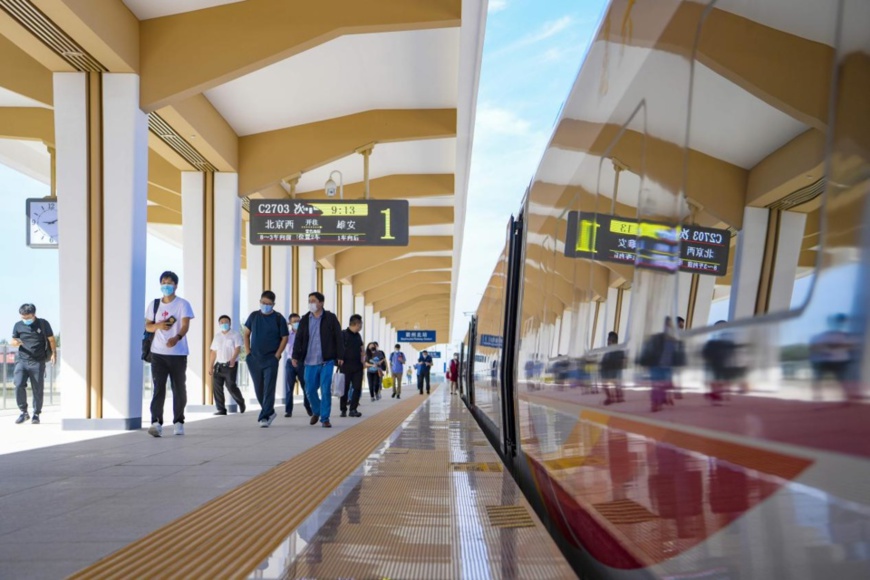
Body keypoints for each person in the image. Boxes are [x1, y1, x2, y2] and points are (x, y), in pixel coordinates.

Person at [145, 271, 194, 437]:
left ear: (176, 285)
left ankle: (179, 421)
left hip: (178, 353)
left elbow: (185, 325)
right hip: (158, 353)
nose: (166, 285)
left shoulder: (182, 304)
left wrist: (177, 337)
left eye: (170, 282)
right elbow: (148, 327)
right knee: (158, 388)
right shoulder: (154, 304)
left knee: (178, 387)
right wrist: (158, 325)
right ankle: (156, 422)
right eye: (163, 282)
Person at [291, 292, 344, 428]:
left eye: (313, 301)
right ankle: (317, 410)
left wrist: (340, 356)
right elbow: (299, 339)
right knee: (309, 389)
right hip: (309, 361)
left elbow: (338, 337)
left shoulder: (330, 318)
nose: (311, 303)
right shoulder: (304, 319)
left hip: (326, 361)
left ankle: (325, 418)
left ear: (321, 303)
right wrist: (295, 356)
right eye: (309, 301)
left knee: (325, 389)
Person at [244, 290, 289, 428]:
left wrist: (277, 355)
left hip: (271, 359)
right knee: (259, 388)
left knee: (269, 387)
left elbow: (285, 338)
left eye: (269, 304)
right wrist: (248, 353)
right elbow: (246, 334)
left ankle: (264, 417)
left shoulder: (279, 318)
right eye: (263, 303)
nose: (265, 305)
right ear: (260, 301)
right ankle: (270, 411)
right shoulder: (253, 316)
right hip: (254, 359)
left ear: (273, 304)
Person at [10, 303, 55, 425]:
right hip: (22, 360)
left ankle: (36, 414)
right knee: (18, 385)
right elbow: (14, 340)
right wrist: (15, 343)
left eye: (27, 317)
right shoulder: (18, 325)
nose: (25, 320)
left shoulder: (43, 324)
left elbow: (51, 339)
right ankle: (24, 412)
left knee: (37, 389)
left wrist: (53, 354)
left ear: (33, 314)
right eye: (22, 317)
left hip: (38, 362)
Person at [208, 315, 246, 415]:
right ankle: (221, 409)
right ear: (219, 324)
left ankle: (240, 402)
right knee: (217, 387)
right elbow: (213, 352)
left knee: (231, 386)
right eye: (222, 322)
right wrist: (210, 365)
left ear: (229, 323)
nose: (224, 324)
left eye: (226, 322)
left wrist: (233, 359)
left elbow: (238, 348)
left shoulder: (235, 335)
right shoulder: (217, 336)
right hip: (219, 365)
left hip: (231, 365)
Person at [283, 313, 311, 418]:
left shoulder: (304, 334)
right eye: (294, 321)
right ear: (290, 323)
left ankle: (308, 407)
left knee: (305, 386)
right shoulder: (286, 335)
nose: (297, 323)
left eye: (298, 321)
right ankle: (288, 410)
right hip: (290, 362)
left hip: (302, 363)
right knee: (289, 387)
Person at [339, 315, 365, 418]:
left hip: (358, 367)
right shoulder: (343, 334)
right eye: (360, 325)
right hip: (345, 366)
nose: (361, 327)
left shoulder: (358, 336)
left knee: (357, 388)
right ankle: (343, 409)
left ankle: (353, 409)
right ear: (356, 324)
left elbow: (361, 349)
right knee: (344, 389)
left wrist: (363, 360)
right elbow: (338, 348)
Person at [600, 332, 626, 405]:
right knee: (616, 383)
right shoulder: (618, 350)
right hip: (612, 370)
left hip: (611, 370)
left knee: (610, 383)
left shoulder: (610, 351)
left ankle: (612, 397)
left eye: (608, 340)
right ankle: (618, 397)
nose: (607, 341)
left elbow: (605, 361)